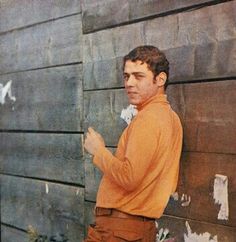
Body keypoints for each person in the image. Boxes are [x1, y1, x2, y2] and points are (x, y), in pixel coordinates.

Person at [84, 45, 183, 242]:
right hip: (136, 229)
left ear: (160, 79)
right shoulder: (171, 118)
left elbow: (129, 177)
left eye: (138, 76)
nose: (129, 83)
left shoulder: (148, 119)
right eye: (126, 76)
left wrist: (99, 152)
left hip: (119, 231)